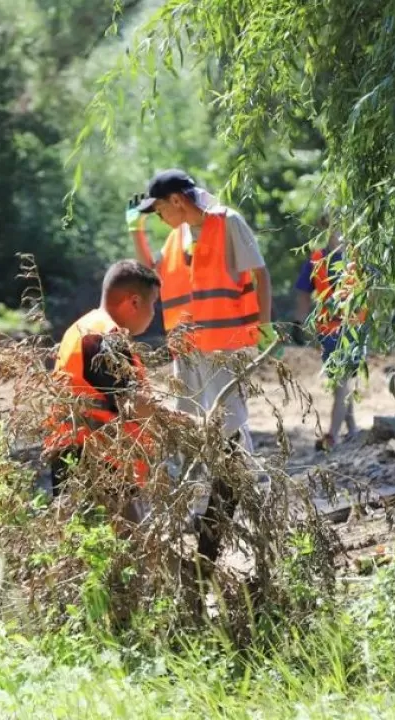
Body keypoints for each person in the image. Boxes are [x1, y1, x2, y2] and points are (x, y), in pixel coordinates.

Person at [127, 169, 276, 565]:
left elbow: (260, 273)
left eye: (158, 209)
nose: (159, 218)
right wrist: (134, 232)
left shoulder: (227, 222)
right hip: (188, 351)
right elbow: (152, 276)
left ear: (177, 200)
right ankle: (206, 508)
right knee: (193, 428)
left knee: (228, 428)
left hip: (224, 347)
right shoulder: (178, 238)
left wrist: (262, 327)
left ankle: (245, 505)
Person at [44, 260, 175, 525]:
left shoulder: (85, 328)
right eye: (153, 304)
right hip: (97, 458)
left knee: (85, 545)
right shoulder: (104, 337)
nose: (154, 313)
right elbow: (133, 402)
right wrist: (181, 422)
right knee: (126, 546)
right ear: (134, 302)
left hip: (78, 453)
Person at [294, 224, 369, 452]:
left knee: (344, 382)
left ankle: (346, 430)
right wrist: (299, 322)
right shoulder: (316, 258)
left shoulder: (359, 256)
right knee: (342, 383)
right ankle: (336, 434)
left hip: (355, 329)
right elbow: (303, 292)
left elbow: (373, 290)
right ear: (327, 228)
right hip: (329, 331)